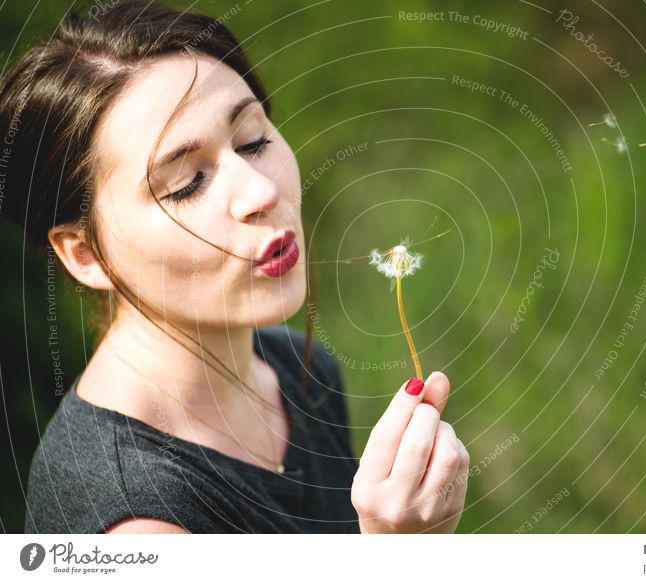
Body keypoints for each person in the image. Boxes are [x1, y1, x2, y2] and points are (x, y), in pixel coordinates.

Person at [1, 0, 469, 534]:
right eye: (186, 184)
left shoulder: (301, 369)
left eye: (254, 140)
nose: (261, 191)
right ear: (84, 254)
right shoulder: (133, 518)